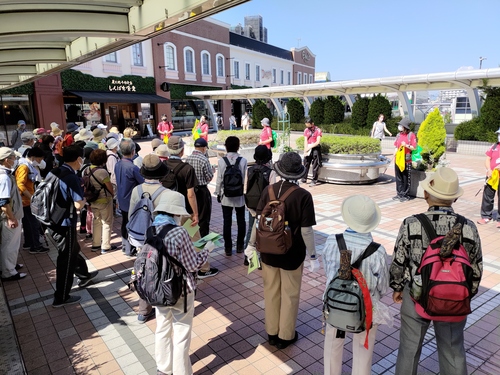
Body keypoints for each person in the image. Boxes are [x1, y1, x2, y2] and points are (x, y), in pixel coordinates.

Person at [389, 167, 483, 375]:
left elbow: (399, 260)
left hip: (415, 296)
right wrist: (462, 294)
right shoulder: (468, 227)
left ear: (425, 194)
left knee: (409, 349)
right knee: (453, 352)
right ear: (455, 199)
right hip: (453, 298)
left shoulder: (411, 223)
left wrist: (397, 287)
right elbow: (476, 268)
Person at [245, 152, 317, 349]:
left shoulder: (268, 190)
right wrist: (312, 255)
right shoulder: (303, 196)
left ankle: (271, 333)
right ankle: (286, 335)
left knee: (271, 292)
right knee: (290, 294)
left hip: (268, 251)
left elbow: (258, 222)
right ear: (298, 173)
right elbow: (306, 230)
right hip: (292, 253)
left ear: (280, 170)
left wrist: (251, 245)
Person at [322, 195, 390, 375]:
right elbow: (383, 287)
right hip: (366, 309)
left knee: (332, 344)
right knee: (362, 349)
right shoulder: (378, 251)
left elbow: (329, 273)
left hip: (335, 303)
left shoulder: (331, 241)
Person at [151, 192, 214, 375]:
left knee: (162, 327)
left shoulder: (151, 229)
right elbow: (192, 264)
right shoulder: (179, 232)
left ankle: (163, 368)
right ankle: (181, 372)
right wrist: (207, 250)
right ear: (176, 213)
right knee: (181, 331)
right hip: (180, 289)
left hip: (158, 288)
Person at [47, 145, 98, 306]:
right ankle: (61, 297)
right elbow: (78, 205)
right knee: (66, 258)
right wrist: (85, 200)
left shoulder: (55, 171)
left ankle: (83, 274)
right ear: (79, 159)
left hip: (50, 218)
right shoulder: (71, 177)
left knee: (72, 248)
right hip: (64, 222)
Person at [129, 154, 170, 323]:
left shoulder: (136, 190)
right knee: (163, 269)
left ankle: (143, 310)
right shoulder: (167, 192)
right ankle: (163, 301)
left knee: (144, 270)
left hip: (141, 237)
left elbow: (131, 214)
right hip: (162, 239)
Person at [243, 145, 275, 265]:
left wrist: (248, 206)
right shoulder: (270, 172)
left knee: (251, 229)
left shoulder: (249, 170)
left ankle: (249, 259)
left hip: (251, 206)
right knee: (263, 233)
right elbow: (272, 193)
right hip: (265, 208)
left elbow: (245, 189)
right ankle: (261, 260)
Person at [215, 136, 247, 256]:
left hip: (226, 196)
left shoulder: (222, 161)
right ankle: (240, 246)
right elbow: (244, 179)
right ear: (238, 146)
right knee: (241, 221)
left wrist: (218, 193)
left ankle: (228, 248)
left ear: (226, 146)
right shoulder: (243, 161)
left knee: (226, 222)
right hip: (239, 196)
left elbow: (219, 179)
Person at [15, 147, 49, 255]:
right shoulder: (24, 167)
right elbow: (20, 184)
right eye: (39, 160)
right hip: (27, 200)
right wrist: (31, 197)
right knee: (34, 224)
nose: (39, 162)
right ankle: (36, 246)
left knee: (28, 224)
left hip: (25, 200)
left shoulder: (25, 164)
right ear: (33, 157)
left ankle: (28, 243)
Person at [0, 148, 26, 280]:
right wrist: (11, 218)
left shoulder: (5, 174)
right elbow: (4, 202)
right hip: (10, 216)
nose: (14, 160)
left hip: (12, 214)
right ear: (6, 160)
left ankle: (10, 265)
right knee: (10, 244)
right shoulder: (4, 177)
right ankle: (8, 272)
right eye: (12, 158)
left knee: (10, 243)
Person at [115, 138, 144, 256]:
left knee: (124, 222)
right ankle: (130, 248)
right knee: (131, 224)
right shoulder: (133, 168)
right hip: (131, 200)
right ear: (133, 151)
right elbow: (142, 183)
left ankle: (125, 247)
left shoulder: (118, 164)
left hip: (121, 197)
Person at [84, 149, 116, 255]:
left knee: (96, 221)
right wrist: (113, 195)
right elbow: (109, 187)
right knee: (107, 222)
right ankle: (106, 246)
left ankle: (95, 244)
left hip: (92, 199)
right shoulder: (102, 172)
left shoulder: (87, 169)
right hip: (104, 200)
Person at [186, 138, 214, 239]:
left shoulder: (188, 158)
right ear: (203, 148)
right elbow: (209, 177)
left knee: (192, 216)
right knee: (203, 218)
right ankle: (202, 242)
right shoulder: (204, 159)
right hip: (202, 191)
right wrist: (213, 170)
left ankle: (192, 240)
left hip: (190, 190)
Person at [477, 127, 500, 226]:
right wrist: (489, 170)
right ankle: (486, 216)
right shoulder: (494, 146)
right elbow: (487, 159)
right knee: (487, 196)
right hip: (492, 176)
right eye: (498, 134)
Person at [393, 118, 416, 202]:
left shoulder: (411, 135)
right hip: (398, 159)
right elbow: (396, 146)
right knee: (398, 177)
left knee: (405, 177)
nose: (399, 127)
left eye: (401, 125)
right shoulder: (398, 135)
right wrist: (395, 152)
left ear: (405, 127)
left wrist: (406, 145)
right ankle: (399, 193)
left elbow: (414, 147)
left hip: (406, 160)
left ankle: (405, 195)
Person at [301, 118, 323, 187]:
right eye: (306, 125)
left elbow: (318, 142)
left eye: (308, 125)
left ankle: (314, 180)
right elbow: (305, 140)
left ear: (312, 123)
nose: (307, 127)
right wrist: (305, 149)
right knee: (306, 163)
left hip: (315, 148)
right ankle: (304, 178)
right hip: (308, 148)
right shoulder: (306, 130)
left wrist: (310, 147)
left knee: (315, 165)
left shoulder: (318, 130)